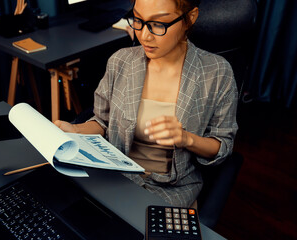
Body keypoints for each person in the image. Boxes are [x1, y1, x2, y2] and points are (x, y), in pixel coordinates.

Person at [55, 0, 238, 208]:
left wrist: (187, 138)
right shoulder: (120, 62)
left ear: (190, 18)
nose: (144, 35)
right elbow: (102, 122)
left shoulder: (217, 73)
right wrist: (75, 130)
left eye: (158, 24)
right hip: (116, 179)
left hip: (173, 191)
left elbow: (223, 146)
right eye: (138, 20)